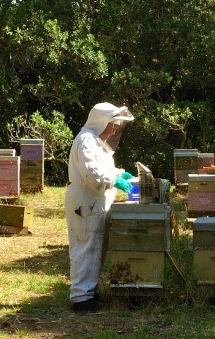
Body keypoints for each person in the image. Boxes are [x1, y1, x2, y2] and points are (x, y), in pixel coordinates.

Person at [65, 102, 135, 311]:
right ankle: (80, 297)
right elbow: (92, 175)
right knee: (85, 245)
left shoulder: (95, 141)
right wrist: (114, 181)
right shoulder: (87, 139)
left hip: (93, 200)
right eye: (112, 124)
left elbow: (101, 168)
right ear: (101, 121)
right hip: (85, 200)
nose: (114, 129)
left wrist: (118, 174)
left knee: (95, 246)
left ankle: (89, 291)